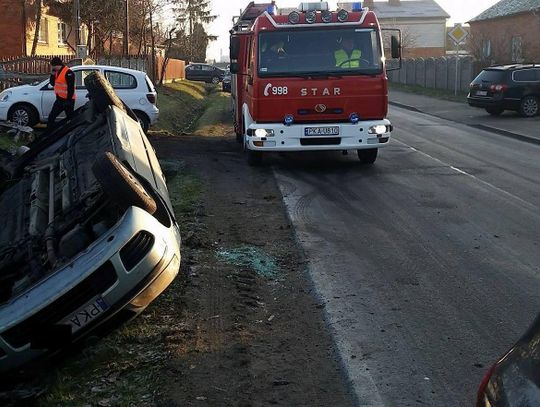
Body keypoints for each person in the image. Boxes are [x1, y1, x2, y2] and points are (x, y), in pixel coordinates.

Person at [47, 57, 76, 130]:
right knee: (51, 117)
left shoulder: (68, 72)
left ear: (56, 65)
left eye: (52, 66)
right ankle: (48, 134)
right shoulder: (57, 73)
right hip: (59, 99)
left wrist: (68, 101)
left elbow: (71, 88)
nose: (52, 68)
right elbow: (52, 83)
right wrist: (52, 74)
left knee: (70, 119)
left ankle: (72, 132)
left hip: (68, 100)